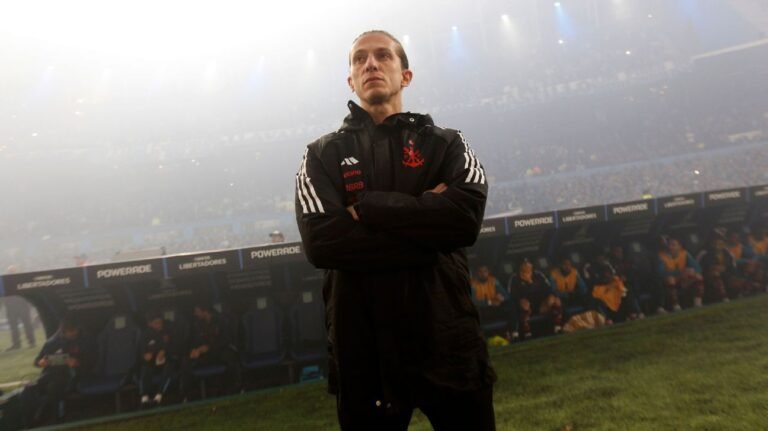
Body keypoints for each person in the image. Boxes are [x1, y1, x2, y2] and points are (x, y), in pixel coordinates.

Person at [295, 30, 494, 430]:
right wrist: (427, 231)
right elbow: (322, 243)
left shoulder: (446, 144)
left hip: (447, 339)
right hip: (364, 351)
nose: (370, 63)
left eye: (383, 55)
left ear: (406, 75)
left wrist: (369, 207)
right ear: (351, 81)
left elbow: (464, 218)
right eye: (359, 59)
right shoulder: (321, 154)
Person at [32, 316, 94, 421]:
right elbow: (37, 361)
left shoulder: (85, 340)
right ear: (63, 332)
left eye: (74, 330)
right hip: (52, 373)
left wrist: (78, 362)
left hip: (74, 373)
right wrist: (41, 362)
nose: (73, 334)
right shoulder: (52, 343)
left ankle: (55, 416)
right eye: (70, 332)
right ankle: (34, 417)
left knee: (54, 386)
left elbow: (92, 360)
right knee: (34, 387)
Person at [182, 304, 240, 398]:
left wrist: (209, 347)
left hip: (219, 351)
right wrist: (194, 350)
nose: (195, 314)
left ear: (205, 311)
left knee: (230, 357)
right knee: (186, 361)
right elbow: (194, 341)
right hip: (205, 354)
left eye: (197, 311)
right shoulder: (197, 324)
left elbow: (226, 340)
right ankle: (187, 396)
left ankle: (234, 389)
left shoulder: (221, 320)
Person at [508, 259, 562, 337]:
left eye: (529, 266)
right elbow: (512, 296)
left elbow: (549, 289)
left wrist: (550, 298)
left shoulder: (538, 275)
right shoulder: (514, 278)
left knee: (556, 300)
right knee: (524, 303)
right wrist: (527, 285)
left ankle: (557, 327)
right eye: (524, 266)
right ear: (520, 268)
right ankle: (527, 333)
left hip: (541, 305)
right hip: (525, 308)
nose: (527, 268)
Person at [139, 311, 177, 406]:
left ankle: (159, 397)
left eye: (160, 322)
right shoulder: (145, 335)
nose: (159, 325)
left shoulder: (167, 332)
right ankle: (144, 398)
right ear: (150, 324)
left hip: (166, 362)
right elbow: (142, 353)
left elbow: (175, 347)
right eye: (156, 323)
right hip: (152, 364)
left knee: (169, 367)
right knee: (145, 368)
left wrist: (164, 351)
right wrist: (147, 356)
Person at [657, 236, 704, 311]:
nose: (670, 247)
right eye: (669, 244)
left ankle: (697, 303)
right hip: (669, 283)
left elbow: (698, 268)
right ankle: (676, 305)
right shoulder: (662, 256)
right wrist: (680, 273)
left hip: (684, 281)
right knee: (670, 279)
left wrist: (691, 271)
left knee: (698, 276)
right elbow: (660, 273)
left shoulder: (684, 253)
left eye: (673, 245)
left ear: (679, 246)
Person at [470, 264, 516, 340]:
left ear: (488, 272)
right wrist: (490, 302)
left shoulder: (493, 280)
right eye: (480, 272)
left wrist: (502, 298)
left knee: (510, 304)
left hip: (496, 309)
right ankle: (481, 337)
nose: (483, 274)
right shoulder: (472, 284)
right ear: (476, 273)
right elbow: (473, 302)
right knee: (476, 311)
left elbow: (507, 295)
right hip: (483, 311)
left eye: (485, 271)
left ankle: (514, 333)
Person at [3, 266, 36, 351]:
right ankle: (16, 344)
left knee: (27, 325)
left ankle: (31, 342)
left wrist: (29, 304)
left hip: (22, 305)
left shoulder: (22, 279)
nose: (11, 273)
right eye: (10, 271)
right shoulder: (6, 282)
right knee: (13, 327)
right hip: (11, 307)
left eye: (12, 271)